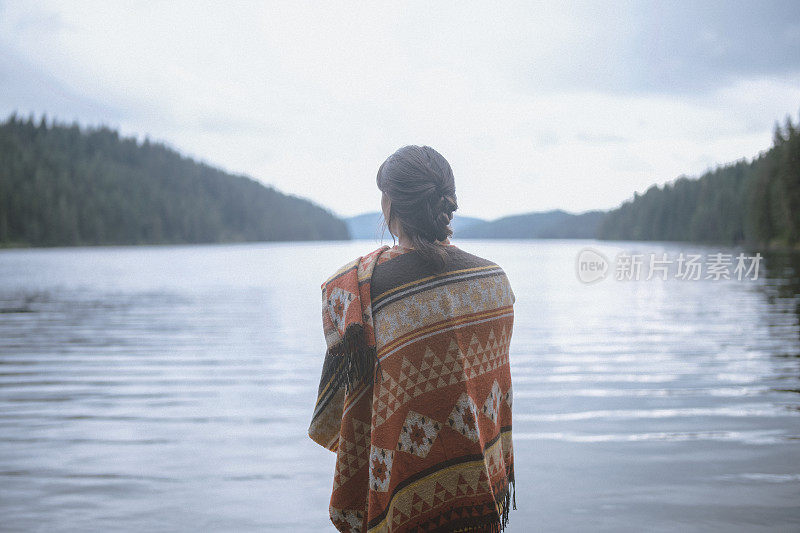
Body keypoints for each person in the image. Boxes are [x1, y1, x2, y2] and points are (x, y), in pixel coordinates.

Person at [309, 145, 516, 532]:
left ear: (390, 205)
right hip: (480, 493)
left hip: (403, 493)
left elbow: (351, 402)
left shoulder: (364, 293)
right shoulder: (495, 282)